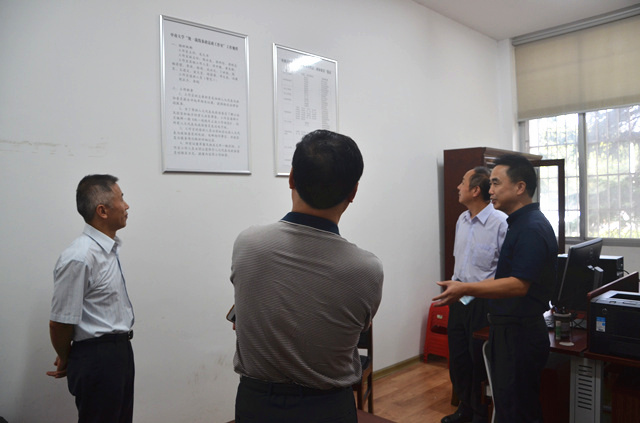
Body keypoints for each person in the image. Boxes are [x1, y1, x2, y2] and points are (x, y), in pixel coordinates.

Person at [230, 129, 384, 423]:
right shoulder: (367, 269)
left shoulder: (248, 243)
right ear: (353, 192)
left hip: (255, 404)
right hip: (328, 408)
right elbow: (357, 328)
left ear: (291, 178)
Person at [434, 155, 558, 423]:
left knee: (517, 408)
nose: (490, 190)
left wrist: (465, 288)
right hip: (507, 327)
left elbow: (519, 284)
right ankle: (467, 409)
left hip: (519, 332)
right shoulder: (519, 223)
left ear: (520, 187)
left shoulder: (530, 228)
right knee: (507, 402)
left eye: (496, 183)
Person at [47, 174, 135, 423]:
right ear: (102, 211)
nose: (127, 206)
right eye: (121, 199)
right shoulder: (80, 256)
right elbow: (60, 322)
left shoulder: (107, 250)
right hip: (97, 359)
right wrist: (66, 356)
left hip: (119, 353)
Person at [442, 167, 507, 423]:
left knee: (478, 357)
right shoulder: (462, 219)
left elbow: (505, 271)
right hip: (459, 298)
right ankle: (465, 408)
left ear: (475, 190)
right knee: (459, 358)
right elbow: (461, 262)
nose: (458, 187)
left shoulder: (500, 222)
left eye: (462, 182)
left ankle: (481, 414)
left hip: (484, 301)